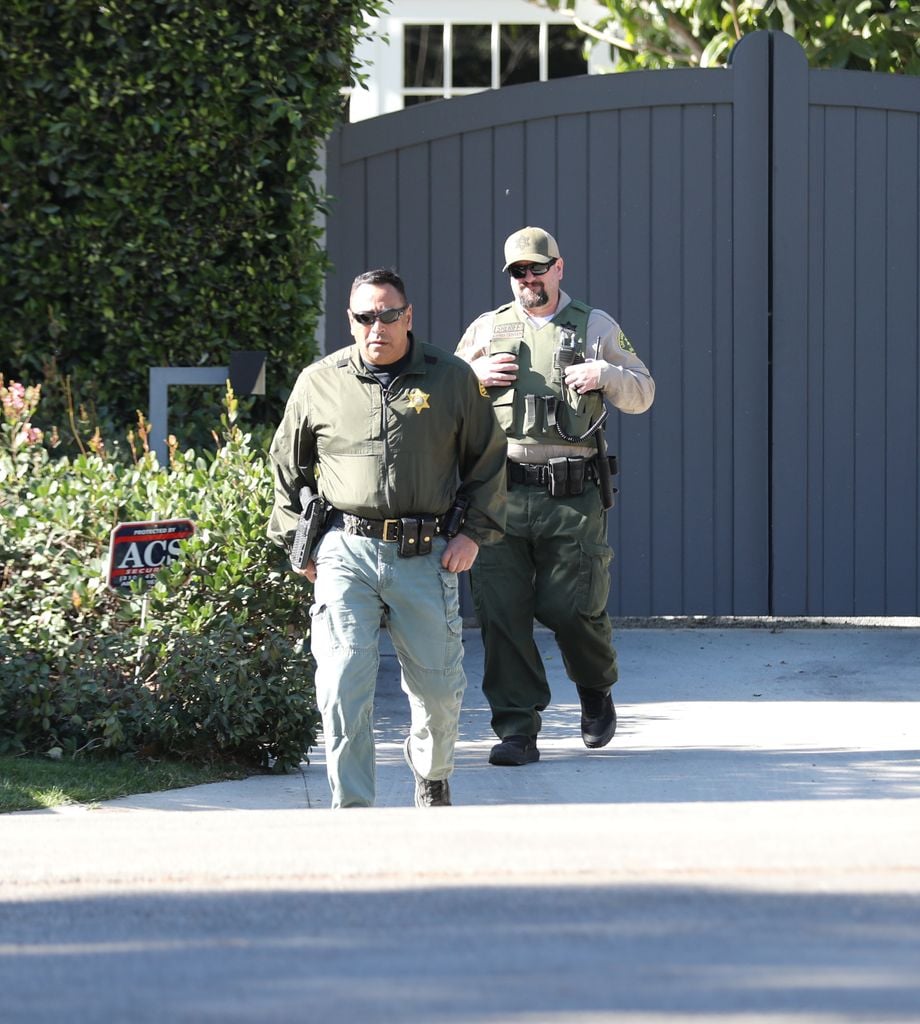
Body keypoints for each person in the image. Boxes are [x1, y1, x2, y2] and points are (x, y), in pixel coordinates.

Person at [268, 268, 506, 808]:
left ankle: (432, 774)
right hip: (345, 551)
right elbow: (286, 468)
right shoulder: (319, 382)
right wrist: (300, 545)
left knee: (439, 690)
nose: (379, 326)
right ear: (350, 322)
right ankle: (353, 810)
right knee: (342, 680)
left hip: (425, 555)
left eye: (389, 314)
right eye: (365, 316)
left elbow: (489, 462)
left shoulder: (449, 378)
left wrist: (471, 534)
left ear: (409, 316)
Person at [456, 227, 655, 767]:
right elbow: (446, 401)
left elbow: (643, 393)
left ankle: (595, 686)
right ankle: (517, 729)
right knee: (501, 612)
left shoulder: (594, 325)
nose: (529, 280)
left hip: (571, 493)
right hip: (498, 495)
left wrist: (607, 373)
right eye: (518, 272)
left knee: (570, 606)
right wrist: (472, 375)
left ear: (559, 268)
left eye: (537, 269)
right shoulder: (487, 329)